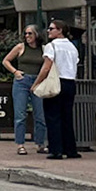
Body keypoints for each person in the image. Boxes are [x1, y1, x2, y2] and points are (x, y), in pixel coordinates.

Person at [32, 20, 82, 160]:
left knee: (53, 116)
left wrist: (36, 83)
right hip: (70, 82)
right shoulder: (72, 47)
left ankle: (56, 149)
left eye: (51, 28)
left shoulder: (51, 46)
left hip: (56, 81)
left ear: (60, 30)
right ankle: (70, 148)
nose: (48, 31)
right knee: (67, 116)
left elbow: (46, 67)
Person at [3, 24, 48, 155]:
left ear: (37, 35)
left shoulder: (43, 49)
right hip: (22, 81)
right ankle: (20, 144)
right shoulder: (20, 47)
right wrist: (15, 71)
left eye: (30, 34)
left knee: (40, 114)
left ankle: (40, 143)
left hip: (38, 81)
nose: (27, 36)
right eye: (26, 34)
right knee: (20, 114)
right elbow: (6, 61)